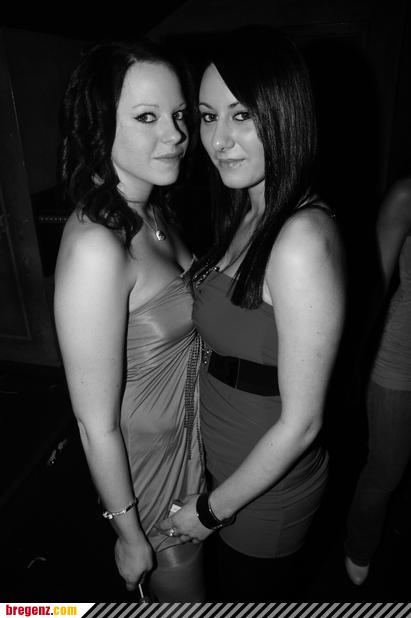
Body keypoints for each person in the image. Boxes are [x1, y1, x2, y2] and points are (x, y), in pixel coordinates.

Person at [158, 25, 346, 601]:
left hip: (264, 493)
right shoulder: (248, 208)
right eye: (207, 117)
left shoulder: (300, 239)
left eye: (241, 115)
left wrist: (209, 512)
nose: (219, 140)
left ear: (284, 114)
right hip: (225, 461)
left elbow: (303, 422)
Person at [53, 39, 206, 601]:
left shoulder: (152, 208)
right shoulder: (97, 246)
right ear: (99, 125)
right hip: (151, 481)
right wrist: (128, 533)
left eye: (179, 115)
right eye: (147, 117)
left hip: (193, 448)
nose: (176, 135)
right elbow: (94, 423)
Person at [344, 177, 411, 586]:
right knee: (387, 467)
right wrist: (355, 362)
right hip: (401, 358)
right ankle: (359, 546)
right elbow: (375, 285)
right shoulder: (406, 195)